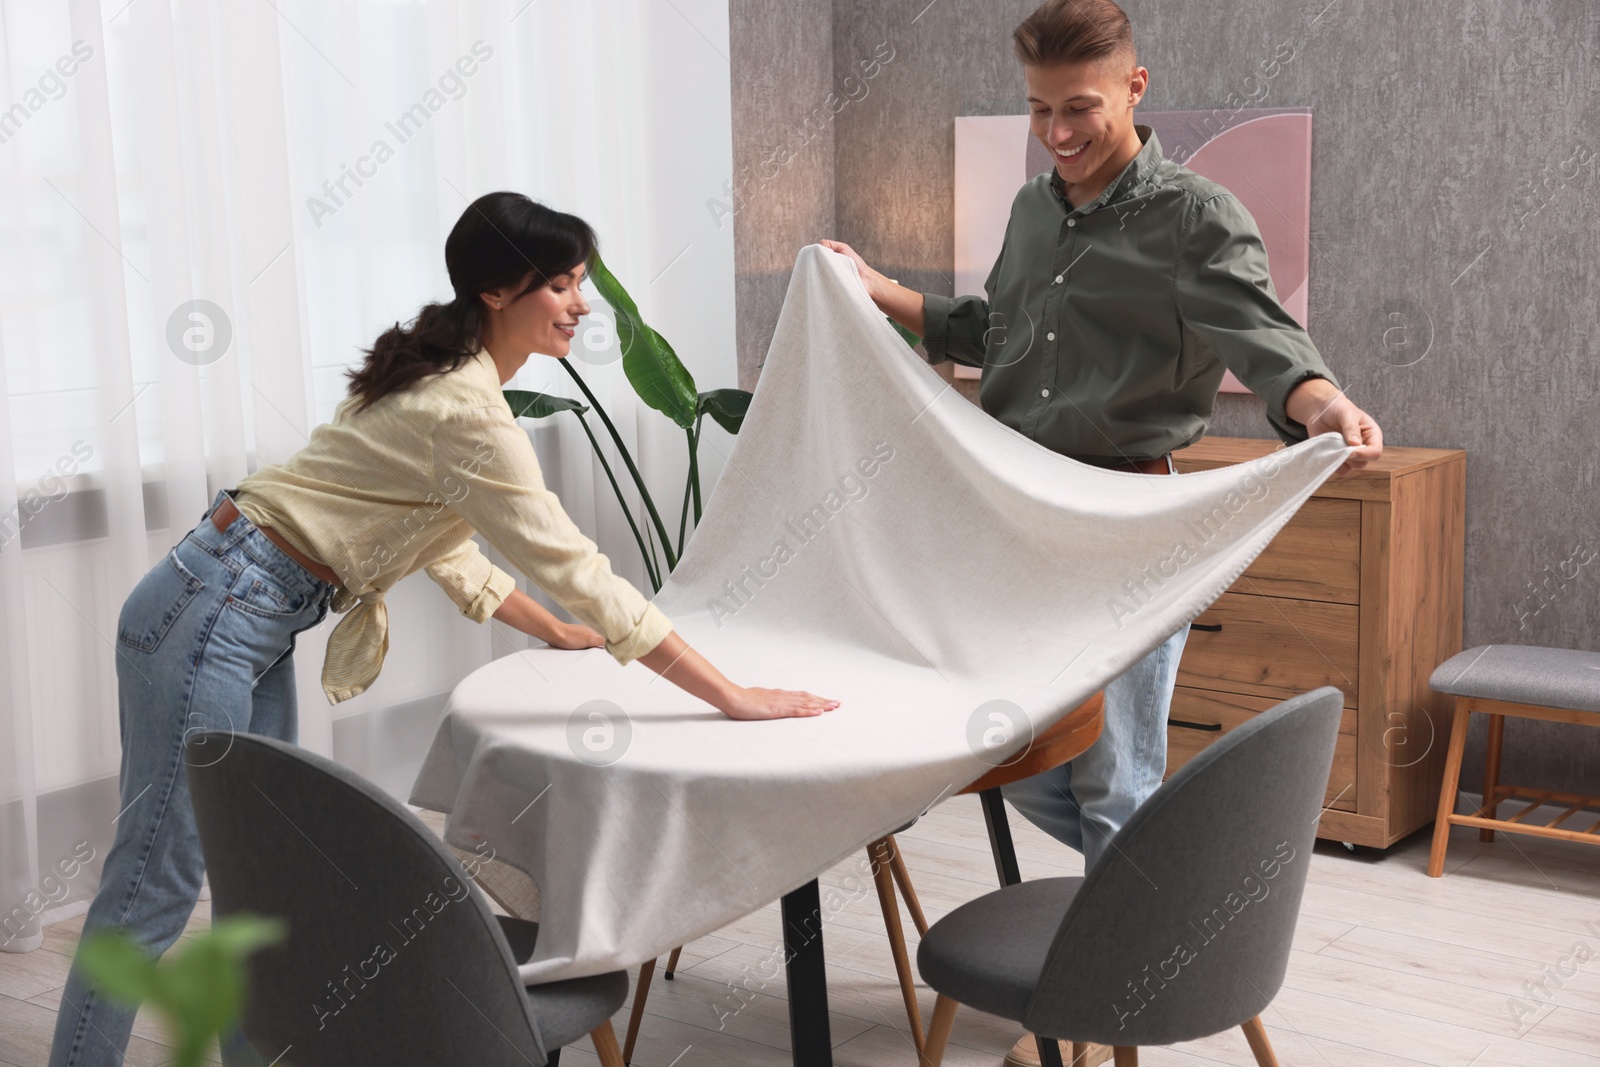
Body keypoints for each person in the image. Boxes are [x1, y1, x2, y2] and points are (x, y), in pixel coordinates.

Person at [49, 191, 838, 1067]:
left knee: (257, 877)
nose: (582, 303)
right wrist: (730, 694)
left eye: (581, 282)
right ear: (499, 292)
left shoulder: (446, 371)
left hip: (244, 603)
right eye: (562, 284)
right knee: (154, 885)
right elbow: (575, 563)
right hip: (214, 610)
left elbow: (447, 546)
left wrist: (556, 629)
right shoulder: (462, 403)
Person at [823, 2, 1381, 1063]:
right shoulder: (1034, 209)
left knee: (1115, 781)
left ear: (1133, 85)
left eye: (1077, 107)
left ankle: (1100, 1012)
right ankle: (1170, 909)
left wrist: (1323, 407)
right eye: (1037, 108)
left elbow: (1266, 345)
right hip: (1013, 516)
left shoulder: (1191, 217)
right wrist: (878, 288)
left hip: (1125, 525)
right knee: (1016, 749)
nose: (1056, 131)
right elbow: (993, 332)